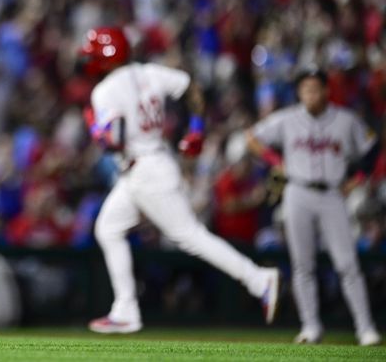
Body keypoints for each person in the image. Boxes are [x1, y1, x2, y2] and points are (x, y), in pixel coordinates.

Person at [80, 26, 280, 334]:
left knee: (190, 237)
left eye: (94, 54)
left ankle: (257, 278)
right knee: (108, 228)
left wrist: (95, 128)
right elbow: (192, 88)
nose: (90, 60)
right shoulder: (150, 72)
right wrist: (196, 127)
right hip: (152, 164)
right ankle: (125, 309)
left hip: (145, 170)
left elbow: (114, 141)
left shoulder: (104, 91)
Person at [246, 67, 382, 346]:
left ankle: (365, 328)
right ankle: (310, 327)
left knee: (347, 264)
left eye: (314, 88)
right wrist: (275, 161)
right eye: (305, 89)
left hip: (332, 193)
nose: (309, 93)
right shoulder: (288, 118)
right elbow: (252, 137)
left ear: (326, 90)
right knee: (302, 265)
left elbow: (372, 148)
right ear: (299, 92)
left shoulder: (345, 120)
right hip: (298, 191)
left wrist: (356, 179)